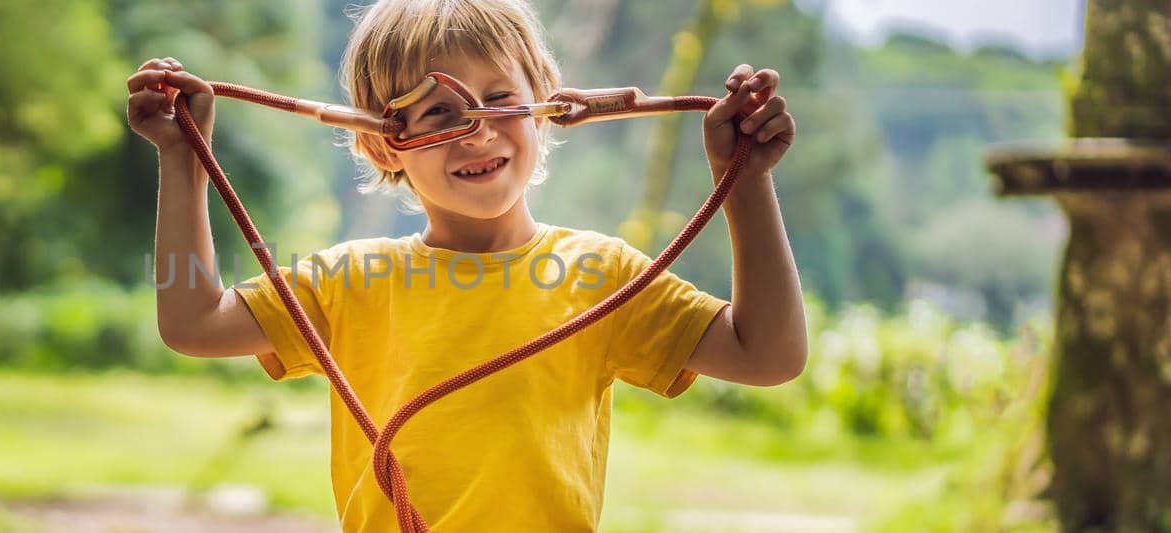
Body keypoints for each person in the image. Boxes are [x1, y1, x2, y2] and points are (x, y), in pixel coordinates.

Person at [125, 0, 806, 530]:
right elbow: (192, 322)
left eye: (501, 98)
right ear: (384, 145)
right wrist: (182, 158)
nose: (479, 130)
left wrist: (745, 183)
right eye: (439, 112)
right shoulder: (348, 281)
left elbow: (769, 354)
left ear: (547, 107)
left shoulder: (599, 274)